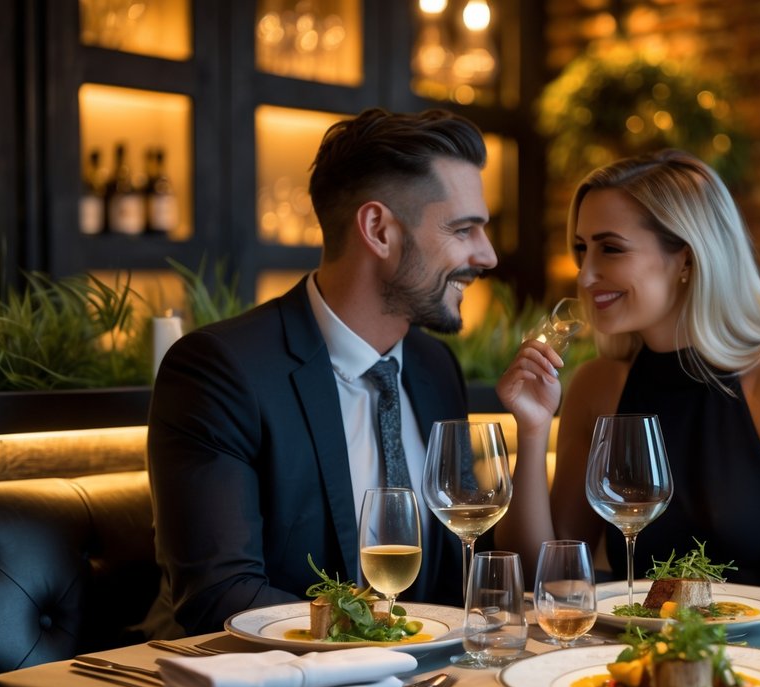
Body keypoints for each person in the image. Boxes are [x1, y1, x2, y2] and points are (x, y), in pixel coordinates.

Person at [142, 108, 497, 638]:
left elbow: (463, 568)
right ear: (378, 230)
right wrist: (392, 643)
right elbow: (220, 596)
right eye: (463, 229)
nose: (486, 255)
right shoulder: (219, 370)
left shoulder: (433, 366)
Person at [495, 150, 760, 614]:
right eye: (582, 248)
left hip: (753, 663)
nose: (585, 273)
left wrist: (722, 645)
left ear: (685, 257)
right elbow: (549, 579)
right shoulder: (596, 385)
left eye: (610, 248)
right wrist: (534, 428)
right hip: (624, 659)